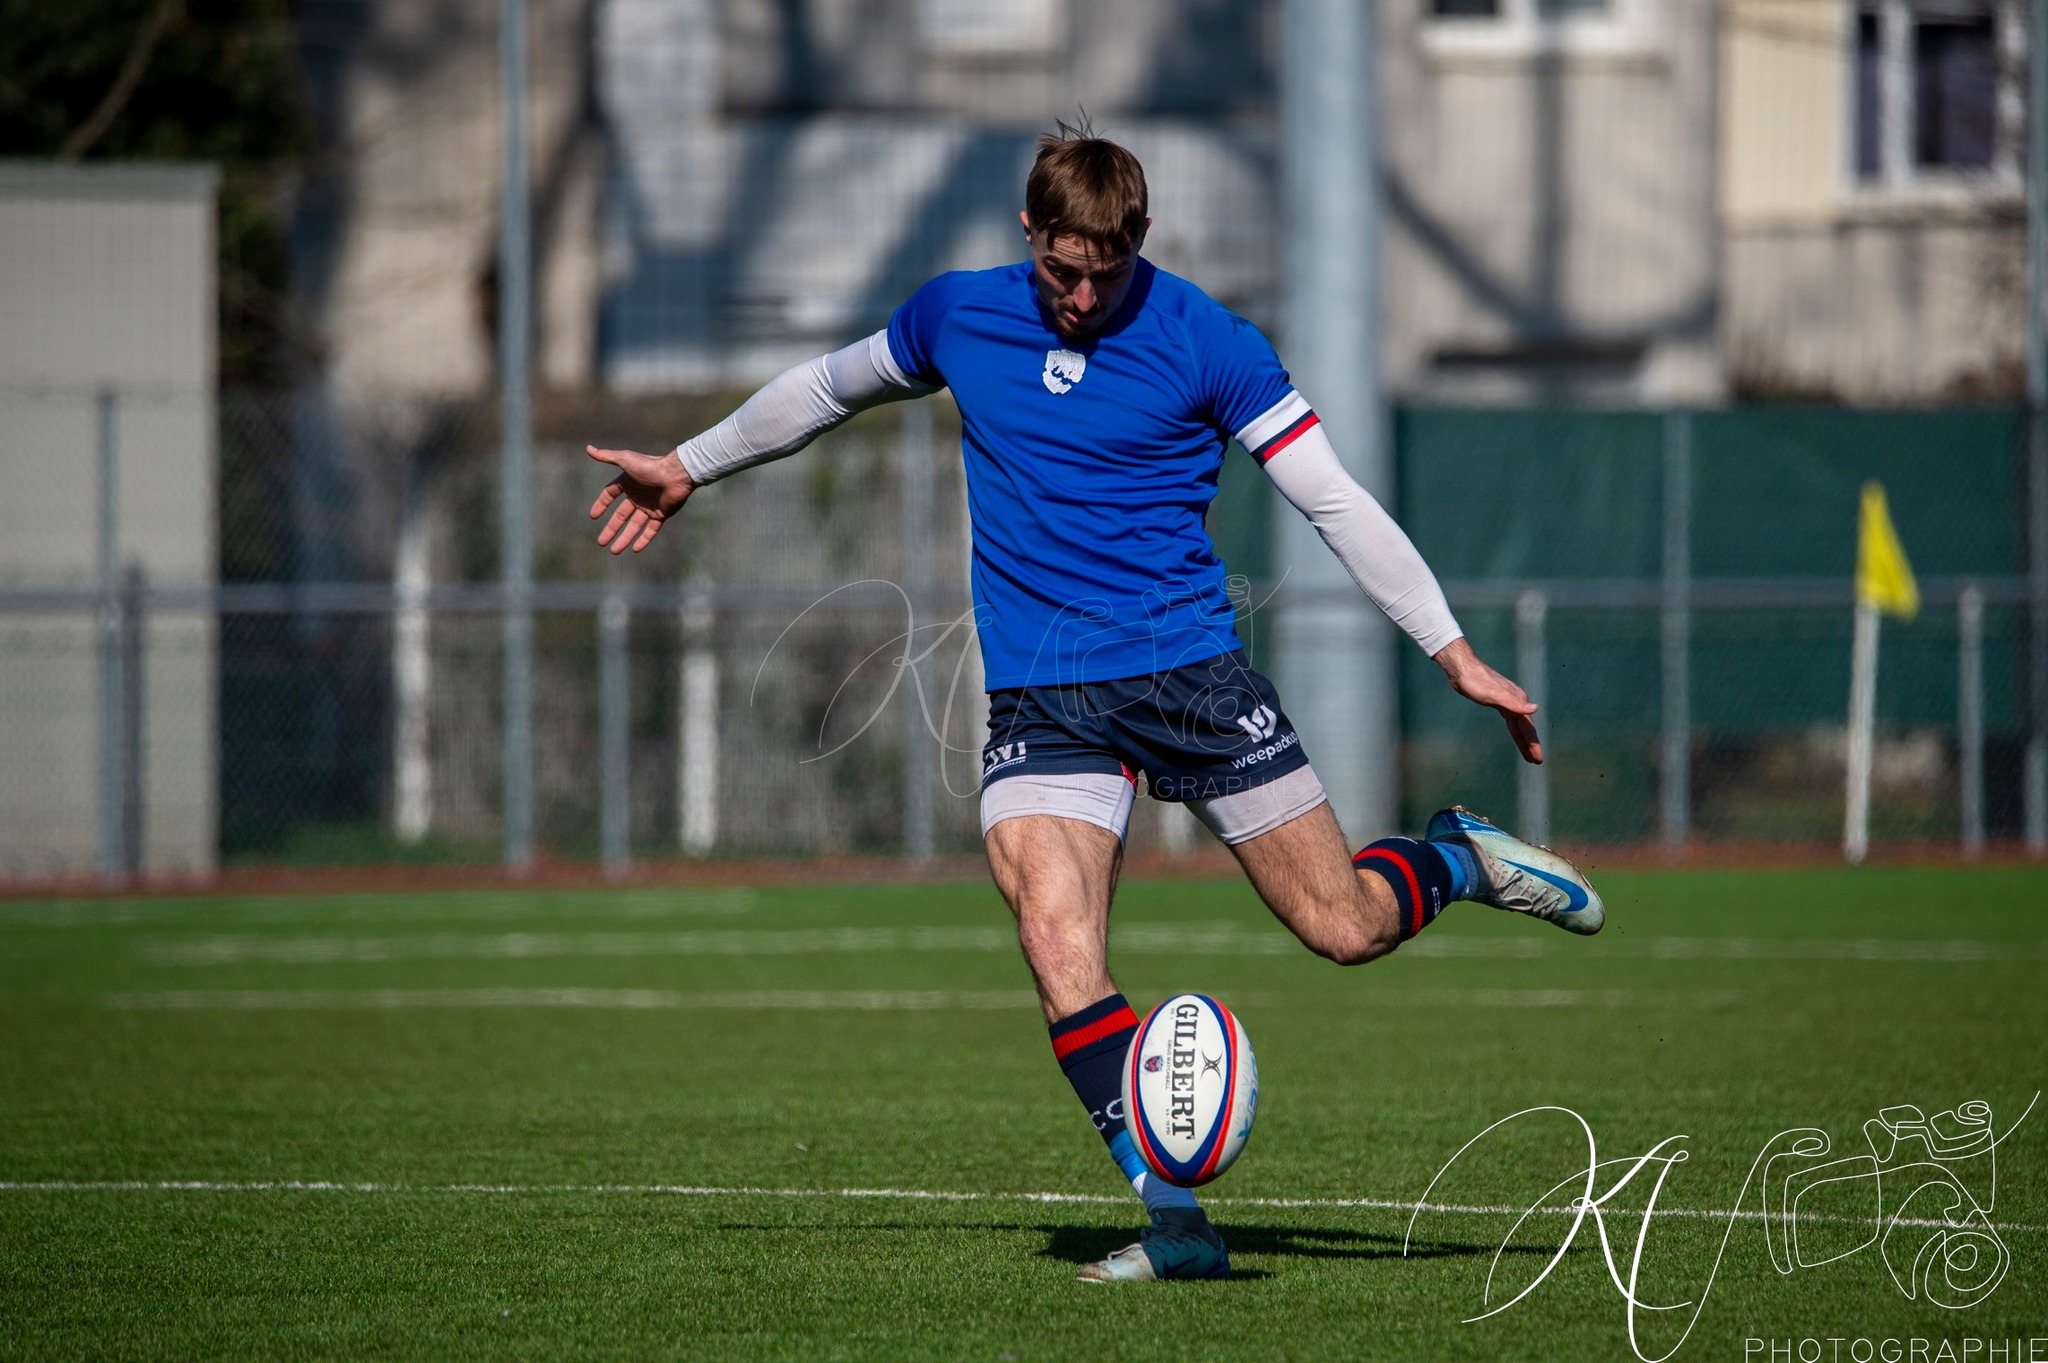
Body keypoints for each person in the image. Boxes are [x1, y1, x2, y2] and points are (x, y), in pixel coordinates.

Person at [582, 123, 1605, 1284]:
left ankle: (1454, 858)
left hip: (1188, 680)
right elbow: (824, 388)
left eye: (1104, 272)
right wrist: (689, 463)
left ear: (1140, 242)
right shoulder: (957, 313)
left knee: (1343, 928)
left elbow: (1335, 502)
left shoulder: (1206, 340)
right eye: (1060, 270)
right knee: (1054, 935)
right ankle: (1174, 1225)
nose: (1078, 295)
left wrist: (1451, 651)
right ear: (1028, 235)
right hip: (1041, 696)